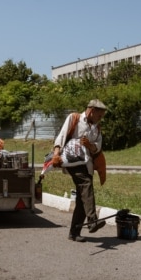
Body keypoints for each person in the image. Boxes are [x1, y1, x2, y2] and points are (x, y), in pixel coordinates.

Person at [51, 99, 107, 242]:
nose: (100, 119)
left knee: (83, 199)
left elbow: (97, 148)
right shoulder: (74, 118)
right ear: (92, 111)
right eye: (99, 115)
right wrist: (56, 154)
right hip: (72, 162)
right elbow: (61, 136)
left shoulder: (96, 128)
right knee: (86, 184)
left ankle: (74, 233)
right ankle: (92, 220)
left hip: (87, 163)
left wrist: (89, 145)